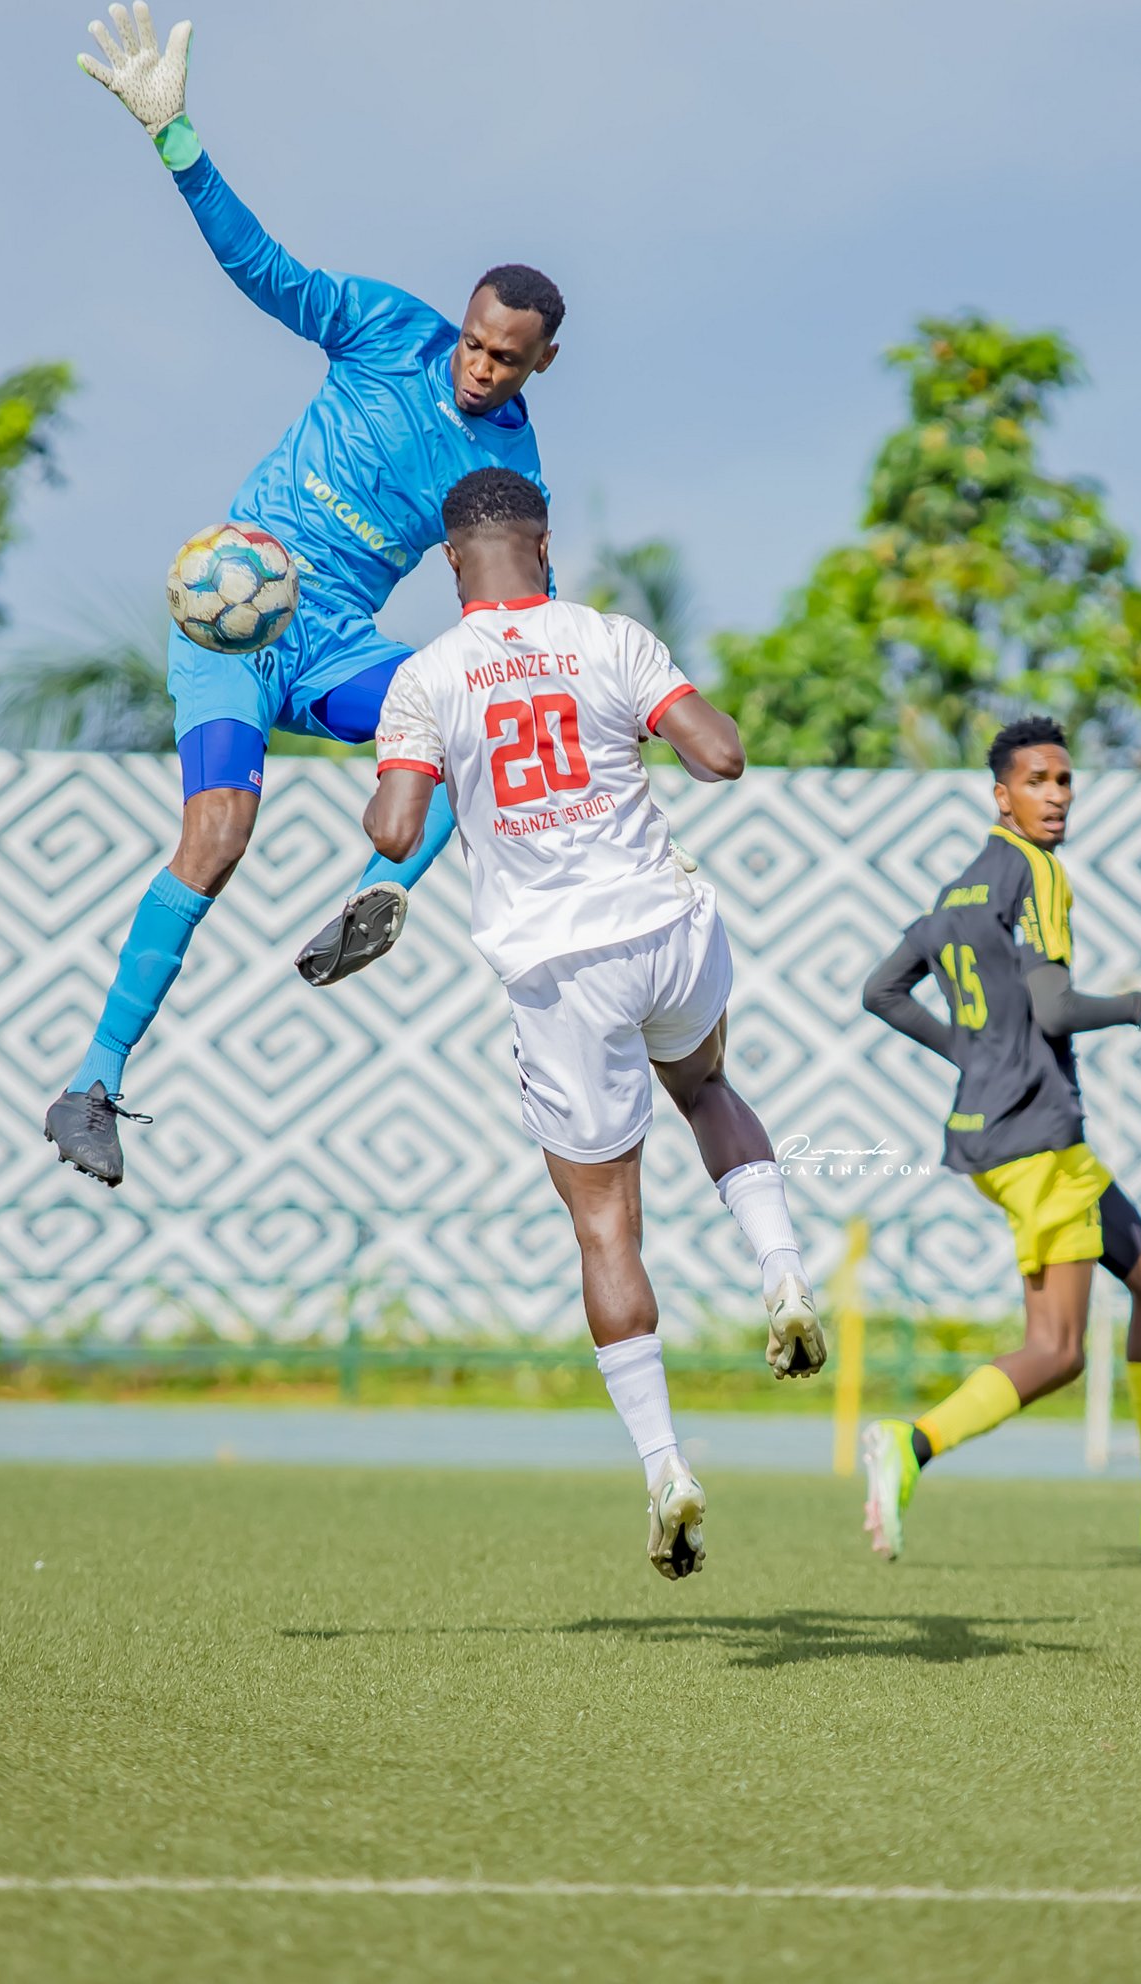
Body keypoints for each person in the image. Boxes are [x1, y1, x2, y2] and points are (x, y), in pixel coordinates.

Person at [48, 1, 561, 1186]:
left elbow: (519, 611)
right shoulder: (385, 330)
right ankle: (92, 1085)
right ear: (464, 320)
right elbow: (261, 268)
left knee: (473, 718)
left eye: (505, 357)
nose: (479, 366)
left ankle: (377, 899)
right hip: (235, 618)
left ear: (543, 360)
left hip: (334, 646)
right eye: (475, 341)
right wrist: (176, 138)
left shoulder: (515, 471)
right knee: (218, 835)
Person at [361, 468, 827, 1577]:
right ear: (544, 544)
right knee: (707, 1088)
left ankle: (666, 1468)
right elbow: (721, 754)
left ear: (450, 561)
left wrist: (409, 770)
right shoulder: (611, 637)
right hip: (666, 927)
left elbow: (394, 832)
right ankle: (782, 1272)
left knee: (607, 1227)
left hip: (559, 969)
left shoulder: (428, 677)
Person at [856, 717, 1141, 1562]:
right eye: (1037, 781)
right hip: (1035, 1139)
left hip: (1004, 1132)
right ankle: (910, 1444)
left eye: (1064, 780)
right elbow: (1055, 1009)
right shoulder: (1038, 872)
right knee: (1058, 1350)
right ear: (1001, 796)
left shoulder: (957, 892)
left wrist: (973, 1053)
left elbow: (881, 990)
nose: (1057, 795)